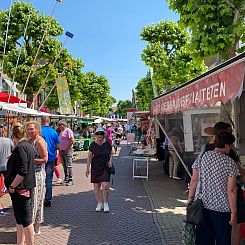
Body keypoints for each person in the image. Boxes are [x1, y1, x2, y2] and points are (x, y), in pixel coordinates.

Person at [188, 131, 239, 245]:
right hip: (222, 209)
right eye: (231, 145)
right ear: (226, 145)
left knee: (203, 240)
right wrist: (234, 213)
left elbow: (194, 180)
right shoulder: (230, 163)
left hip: (202, 206)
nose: (231, 148)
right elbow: (231, 190)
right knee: (223, 240)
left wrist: (190, 199)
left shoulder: (202, 156)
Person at [5, 124, 36, 245]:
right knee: (19, 219)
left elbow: (22, 170)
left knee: (26, 220)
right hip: (22, 188)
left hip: (20, 189)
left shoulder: (21, 148)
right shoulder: (27, 146)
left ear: (14, 136)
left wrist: (12, 186)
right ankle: (20, 242)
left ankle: (29, 243)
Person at [26, 121, 48, 236]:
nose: (29, 131)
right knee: (30, 201)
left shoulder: (39, 142)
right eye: (28, 129)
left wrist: (29, 160)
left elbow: (45, 159)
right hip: (29, 173)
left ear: (37, 129)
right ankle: (30, 227)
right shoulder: (29, 141)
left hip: (37, 174)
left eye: (31, 129)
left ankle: (36, 227)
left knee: (37, 200)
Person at [86, 127, 113, 212]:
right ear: (96, 135)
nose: (100, 135)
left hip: (105, 166)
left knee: (105, 186)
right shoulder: (92, 144)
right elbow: (89, 157)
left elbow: (111, 153)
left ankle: (105, 203)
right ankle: (99, 203)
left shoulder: (107, 144)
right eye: (98, 134)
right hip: (95, 167)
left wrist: (110, 161)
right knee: (96, 187)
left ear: (104, 135)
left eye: (101, 134)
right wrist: (87, 168)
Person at [41, 116, 60, 207]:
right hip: (51, 158)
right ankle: (48, 199)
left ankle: (39, 198)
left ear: (42, 121)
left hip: (40, 159)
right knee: (48, 179)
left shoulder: (39, 131)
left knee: (39, 178)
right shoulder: (54, 132)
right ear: (49, 121)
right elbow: (58, 145)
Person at [0, 136, 13, 214]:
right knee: (10, 185)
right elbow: (14, 150)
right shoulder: (8, 140)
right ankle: (14, 203)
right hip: (7, 166)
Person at [58, 120, 74, 185]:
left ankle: (71, 179)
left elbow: (72, 140)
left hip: (67, 151)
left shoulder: (68, 130)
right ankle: (66, 178)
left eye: (59, 125)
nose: (59, 126)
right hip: (62, 151)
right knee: (64, 165)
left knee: (69, 165)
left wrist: (67, 149)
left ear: (63, 125)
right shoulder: (62, 132)